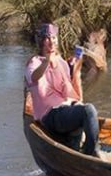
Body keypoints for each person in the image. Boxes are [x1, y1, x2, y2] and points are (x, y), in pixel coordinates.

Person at [25, 22, 99, 157]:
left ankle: (78, 151)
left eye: (53, 38)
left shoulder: (61, 62)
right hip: (50, 115)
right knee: (89, 110)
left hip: (65, 108)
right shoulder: (34, 61)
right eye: (47, 38)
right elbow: (34, 77)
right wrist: (46, 62)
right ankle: (91, 154)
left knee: (86, 111)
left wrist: (75, 69)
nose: (51, 42)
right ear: (41, 42)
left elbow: (71, 92)